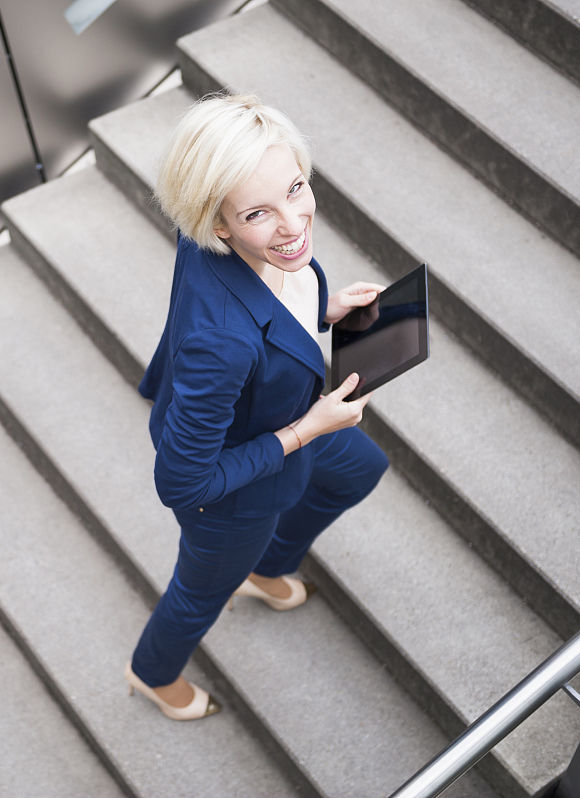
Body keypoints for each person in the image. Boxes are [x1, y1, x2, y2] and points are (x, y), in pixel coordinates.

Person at [124, 94, 390, 720]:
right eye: (259, 213)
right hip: (235, 489)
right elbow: (182, 483)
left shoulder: (231, 238)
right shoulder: (221, 345)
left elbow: (274, 292)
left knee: (359, 469)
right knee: (198, 593)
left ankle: (266, 567)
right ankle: (153, 673)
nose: (294, 224)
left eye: (296, 188)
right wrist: (308, 429)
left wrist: (324, 307)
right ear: (217, 224)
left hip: (280, 414)